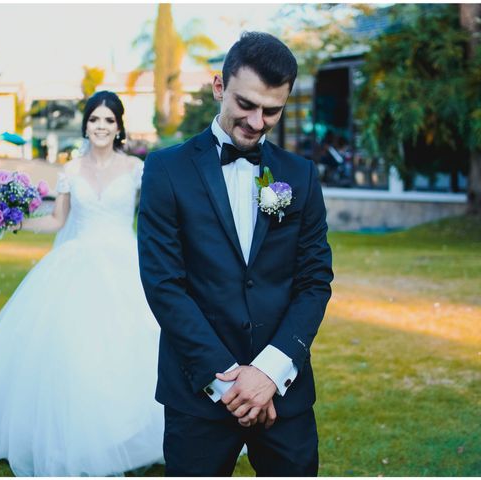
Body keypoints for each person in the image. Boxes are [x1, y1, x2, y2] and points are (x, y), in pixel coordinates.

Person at [0, 91, 164, 476]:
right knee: (71, 347)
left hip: (124, 264)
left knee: (136, 344)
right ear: (85, 125)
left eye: (108, 121)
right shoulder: (71, 170)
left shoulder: (136, 168)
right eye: (95, 119)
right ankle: (74, 427)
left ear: (119, 127)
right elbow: (56, 221)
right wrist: (9, 222)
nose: (100, 126)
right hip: (76, 263)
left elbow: (153, 219)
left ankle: (132, 432)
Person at [137, 32, 333, 476]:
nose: (258, 121)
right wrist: (229, 383)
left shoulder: (300, 175)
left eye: (272, 110)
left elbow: (315, 280)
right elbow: (164, 285)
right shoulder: (165, 171)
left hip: (285, 392)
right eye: (246, 104)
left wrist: (268, 373)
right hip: (198, 393)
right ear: (218, 87)